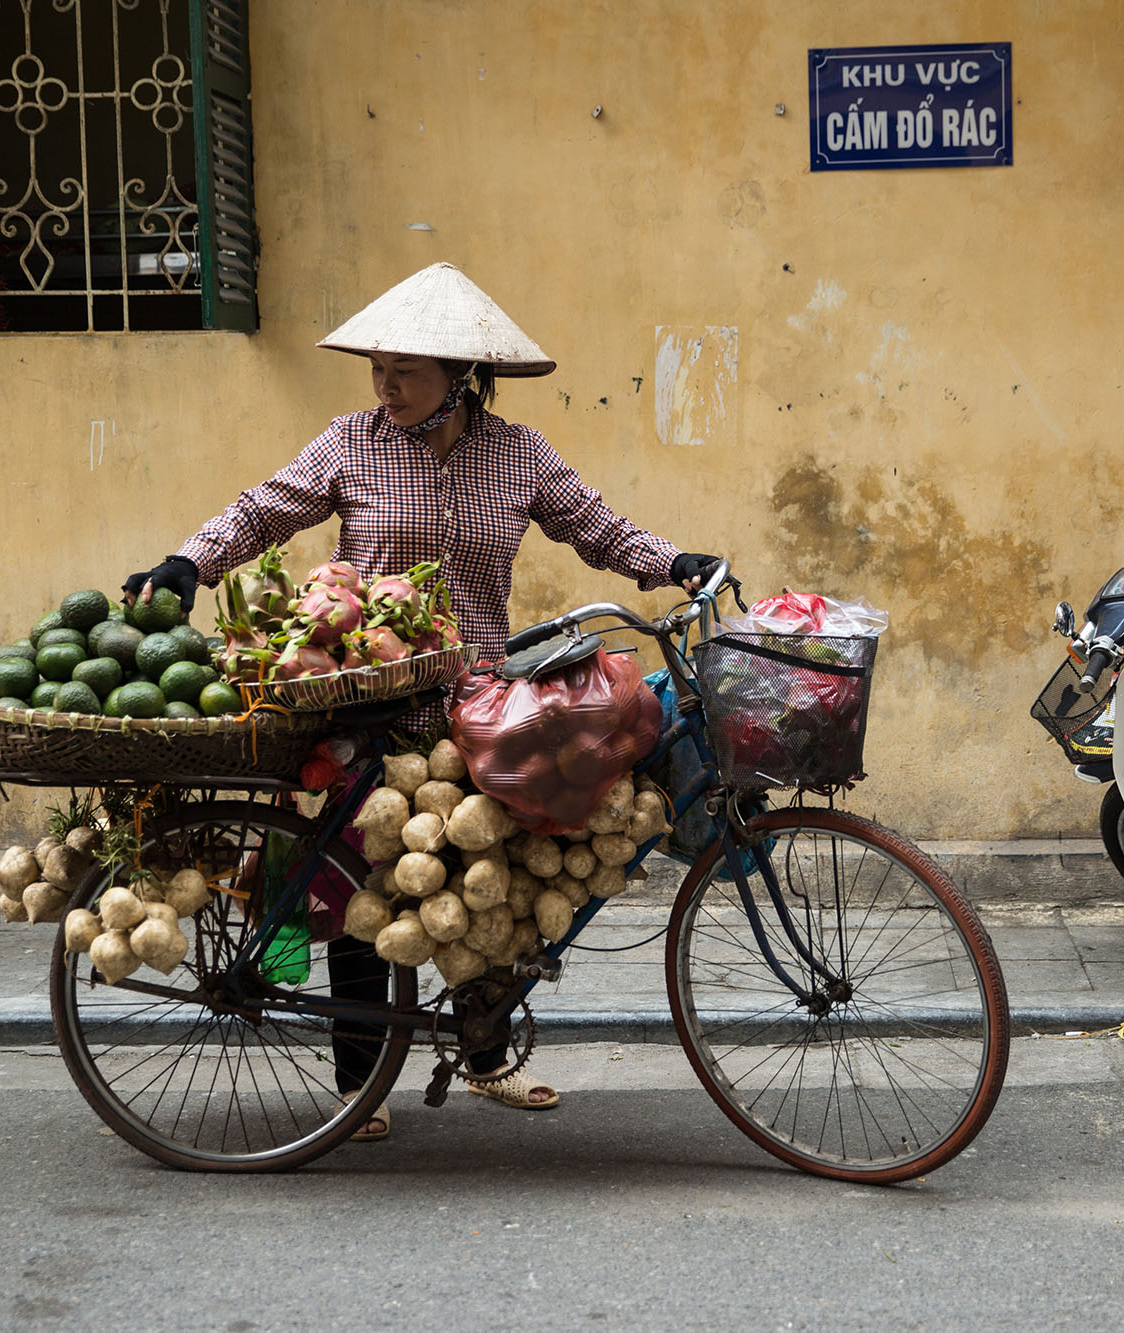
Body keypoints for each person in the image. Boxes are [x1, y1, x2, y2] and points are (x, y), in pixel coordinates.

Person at [124, 261, 720, 1138]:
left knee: (489, 882)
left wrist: (670, 563)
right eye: (378, 368)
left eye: (405, 370)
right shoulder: (352, 443)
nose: (386, 385)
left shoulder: (517, 455)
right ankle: (356, 1086)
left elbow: (596, 524)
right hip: (367, 707)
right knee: (369, 894)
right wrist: (192, 561)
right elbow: (267, 509)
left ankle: (483, 1055)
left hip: (479, 706)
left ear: (461, 378)